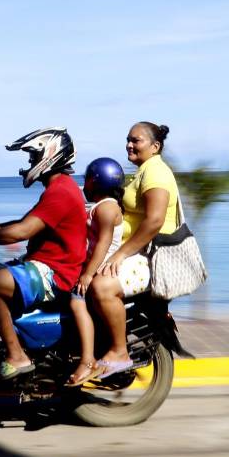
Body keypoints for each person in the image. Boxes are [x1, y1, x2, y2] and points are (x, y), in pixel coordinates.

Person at [0, 127, 87, 380]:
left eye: (33, 156)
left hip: (57, 273)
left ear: (50, 155)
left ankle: (16, 355)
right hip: (46, 265)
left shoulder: (61, 191)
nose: (30, 162)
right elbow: (19, 224)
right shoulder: (57, 188)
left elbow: (18, 233)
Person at [89, 122, 182, 377]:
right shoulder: (144, 171)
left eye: (136, 140)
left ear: (155, 146)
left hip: (151, 256)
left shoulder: (156, 172)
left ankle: (119, 352)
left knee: (102, 286)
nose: (129, 145)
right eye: (128, 140)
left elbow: (154, 221)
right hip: (138, 252)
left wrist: (120, 255)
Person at [66, 157, 126, 387]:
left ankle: (87, 360)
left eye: (88, 180)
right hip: (91, 265)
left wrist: (88, 274)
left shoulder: (108, 208)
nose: (85, 185)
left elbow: (103, 243)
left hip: (99, 268)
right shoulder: (100, 206)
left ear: (95, 181)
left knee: (76, 300)